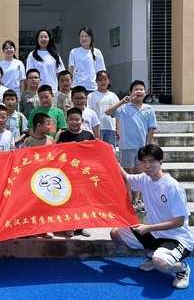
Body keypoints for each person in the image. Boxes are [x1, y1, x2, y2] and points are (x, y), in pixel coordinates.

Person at [110, 144, 194, 290]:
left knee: (161, 263)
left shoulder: (172, 186)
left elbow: (179, 221)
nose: (147, 166)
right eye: (143, 162)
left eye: (151, 161)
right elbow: (126, 177)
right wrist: (112, 157)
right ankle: (154, 257)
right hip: (155, 234)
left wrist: (149, 228)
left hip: (177, 238)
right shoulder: (145, 179)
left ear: (160, 162)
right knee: (116, 233)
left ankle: (182, 268)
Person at [106, 80, 157, 211]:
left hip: (141, 148)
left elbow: (151, 128)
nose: (139, 91)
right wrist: (122, 102)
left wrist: (147, 145)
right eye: (136, 89)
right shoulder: (124, 108)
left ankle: (137, 199)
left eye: (141, 89)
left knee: (139, 174)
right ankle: (128, 201)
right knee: (128, 174)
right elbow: (108, 112)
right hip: (127, 146)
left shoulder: (149, 109)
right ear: (130, 92)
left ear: (146, 92)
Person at [55, 107, 94, 238]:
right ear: (67, 121)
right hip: (68, 173)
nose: (74, 122)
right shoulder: (63, 135)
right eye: (71, 120)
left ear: (82, 120)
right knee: (69, 199)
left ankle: (83, 225)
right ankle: (69, 225)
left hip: (83, 173)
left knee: (83, 199)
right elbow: (57, 152)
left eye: (77, 120)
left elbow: (95, 152)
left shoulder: (88, 135)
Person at [87, 70, 119, 149]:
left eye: (105, 79)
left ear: (109, 81)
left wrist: (117, 128)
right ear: (96, 81)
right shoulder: (91, 96)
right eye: (100, 80)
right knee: (99, 150)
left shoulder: (113, 96)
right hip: (97, 129)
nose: (103, 82)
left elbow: (118, 113)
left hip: (111, 127)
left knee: (110, 150)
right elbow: (89, 113)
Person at [68, 27, 106, 92]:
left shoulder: (97, 52)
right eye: (81, 37)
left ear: (91, 38)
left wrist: (102, 86)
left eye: (86, 36)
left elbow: (101, 71)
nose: (84, 38)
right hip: (77, 87)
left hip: (92, 87)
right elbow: (70, 69)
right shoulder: (74, 52)